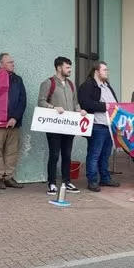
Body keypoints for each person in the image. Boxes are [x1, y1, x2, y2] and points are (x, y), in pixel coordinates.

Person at [38, 56, 87, 196]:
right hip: (54, 125)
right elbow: (41, 102)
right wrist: (53, 107)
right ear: (59, 68)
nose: (70, 70)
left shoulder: (71, 84)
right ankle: (52, 183)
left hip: (69, 126)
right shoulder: (48, 83)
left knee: (67, 154)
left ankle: (66, 181)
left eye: (70, 67)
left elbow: (75, 102)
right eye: (67, 67)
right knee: (54, 154)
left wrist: (80, 110)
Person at [0, 53, 27, 190]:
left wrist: (15, 117)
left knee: (12, 151)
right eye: (9, 62)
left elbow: (22, 100)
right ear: (1, 64)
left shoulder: (17, 80)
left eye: (12, 62)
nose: (13, 64)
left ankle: (9, 177)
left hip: (14, 122)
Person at [78, 61, 121, 192]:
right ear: (96, 71)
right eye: (104, 70)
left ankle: (105, 178)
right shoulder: (88, 85)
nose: (107, 72)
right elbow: (85, 103)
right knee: (94, 154)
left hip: (108, 125)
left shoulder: (106, 85)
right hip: (97, 125)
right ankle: (92, 180)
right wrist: (103, 106)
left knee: (105, 154)